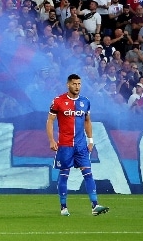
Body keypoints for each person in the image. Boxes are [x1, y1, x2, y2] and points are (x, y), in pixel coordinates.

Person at [46, 74, 109, 216]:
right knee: (64, 174)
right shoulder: (58, 101)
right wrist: (51, 140)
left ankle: (95, 205)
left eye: (79, 84)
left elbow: (87, 120)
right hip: (65, 145)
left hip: (81, 145)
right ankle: (63, 207)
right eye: (74, 84)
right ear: (68, 85)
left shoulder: (85, 101)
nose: (77, 87)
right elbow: (50, 120)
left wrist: (91, 140)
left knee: (88, 173)